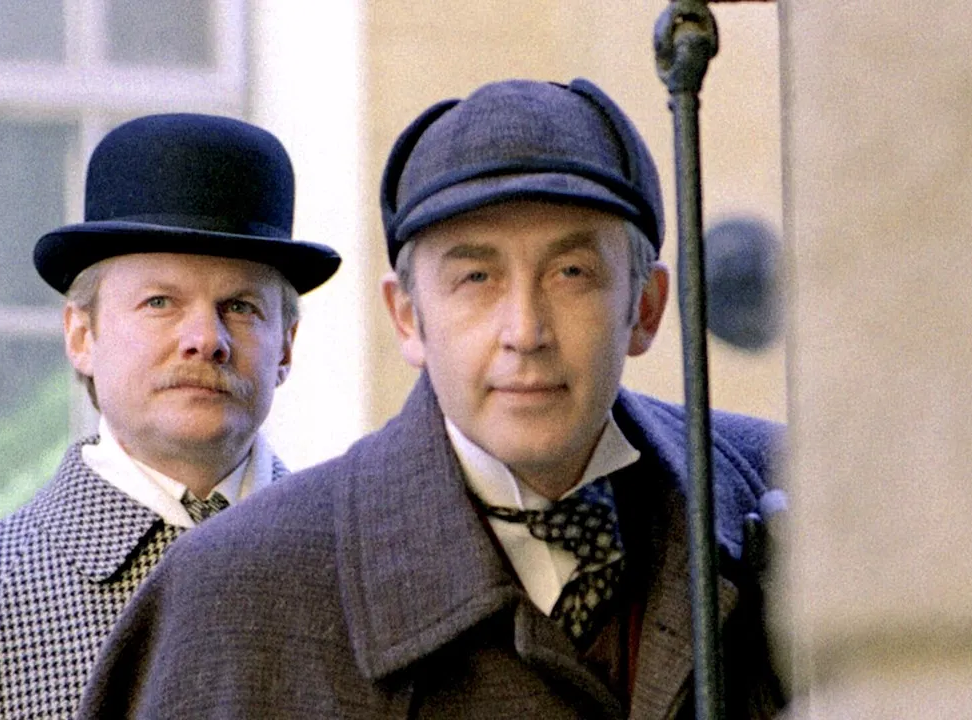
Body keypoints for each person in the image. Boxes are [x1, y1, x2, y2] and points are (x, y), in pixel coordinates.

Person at [79, 79, 786, 719]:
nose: (525, 331)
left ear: (646, 307)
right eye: (476, 278)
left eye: (571, 272)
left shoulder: (785, 495)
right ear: (408, 317)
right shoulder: (237, 595)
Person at [0, 113, 341, 719]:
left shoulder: (364, 583)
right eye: (160, 301)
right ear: (82, 335)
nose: (206, 339)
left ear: (285, 346)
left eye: (240, 306)